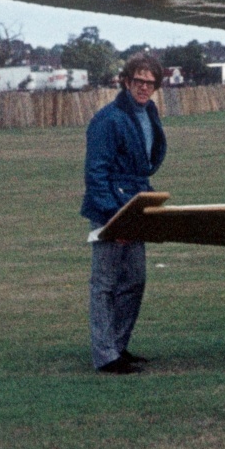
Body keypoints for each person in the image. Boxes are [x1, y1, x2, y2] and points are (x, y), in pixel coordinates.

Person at [81, 52, 168, 374]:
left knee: (134, 279)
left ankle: (118, 345)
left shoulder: (149, 111)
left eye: (150, 83)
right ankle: (105, 356)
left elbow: (147, 159)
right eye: (138, 81)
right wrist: (111, 219)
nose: (144, 88)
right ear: (126, 81)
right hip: (112, 209)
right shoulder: (108, 119)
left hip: (136, 203)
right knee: (105, 283)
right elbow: (96, 174)